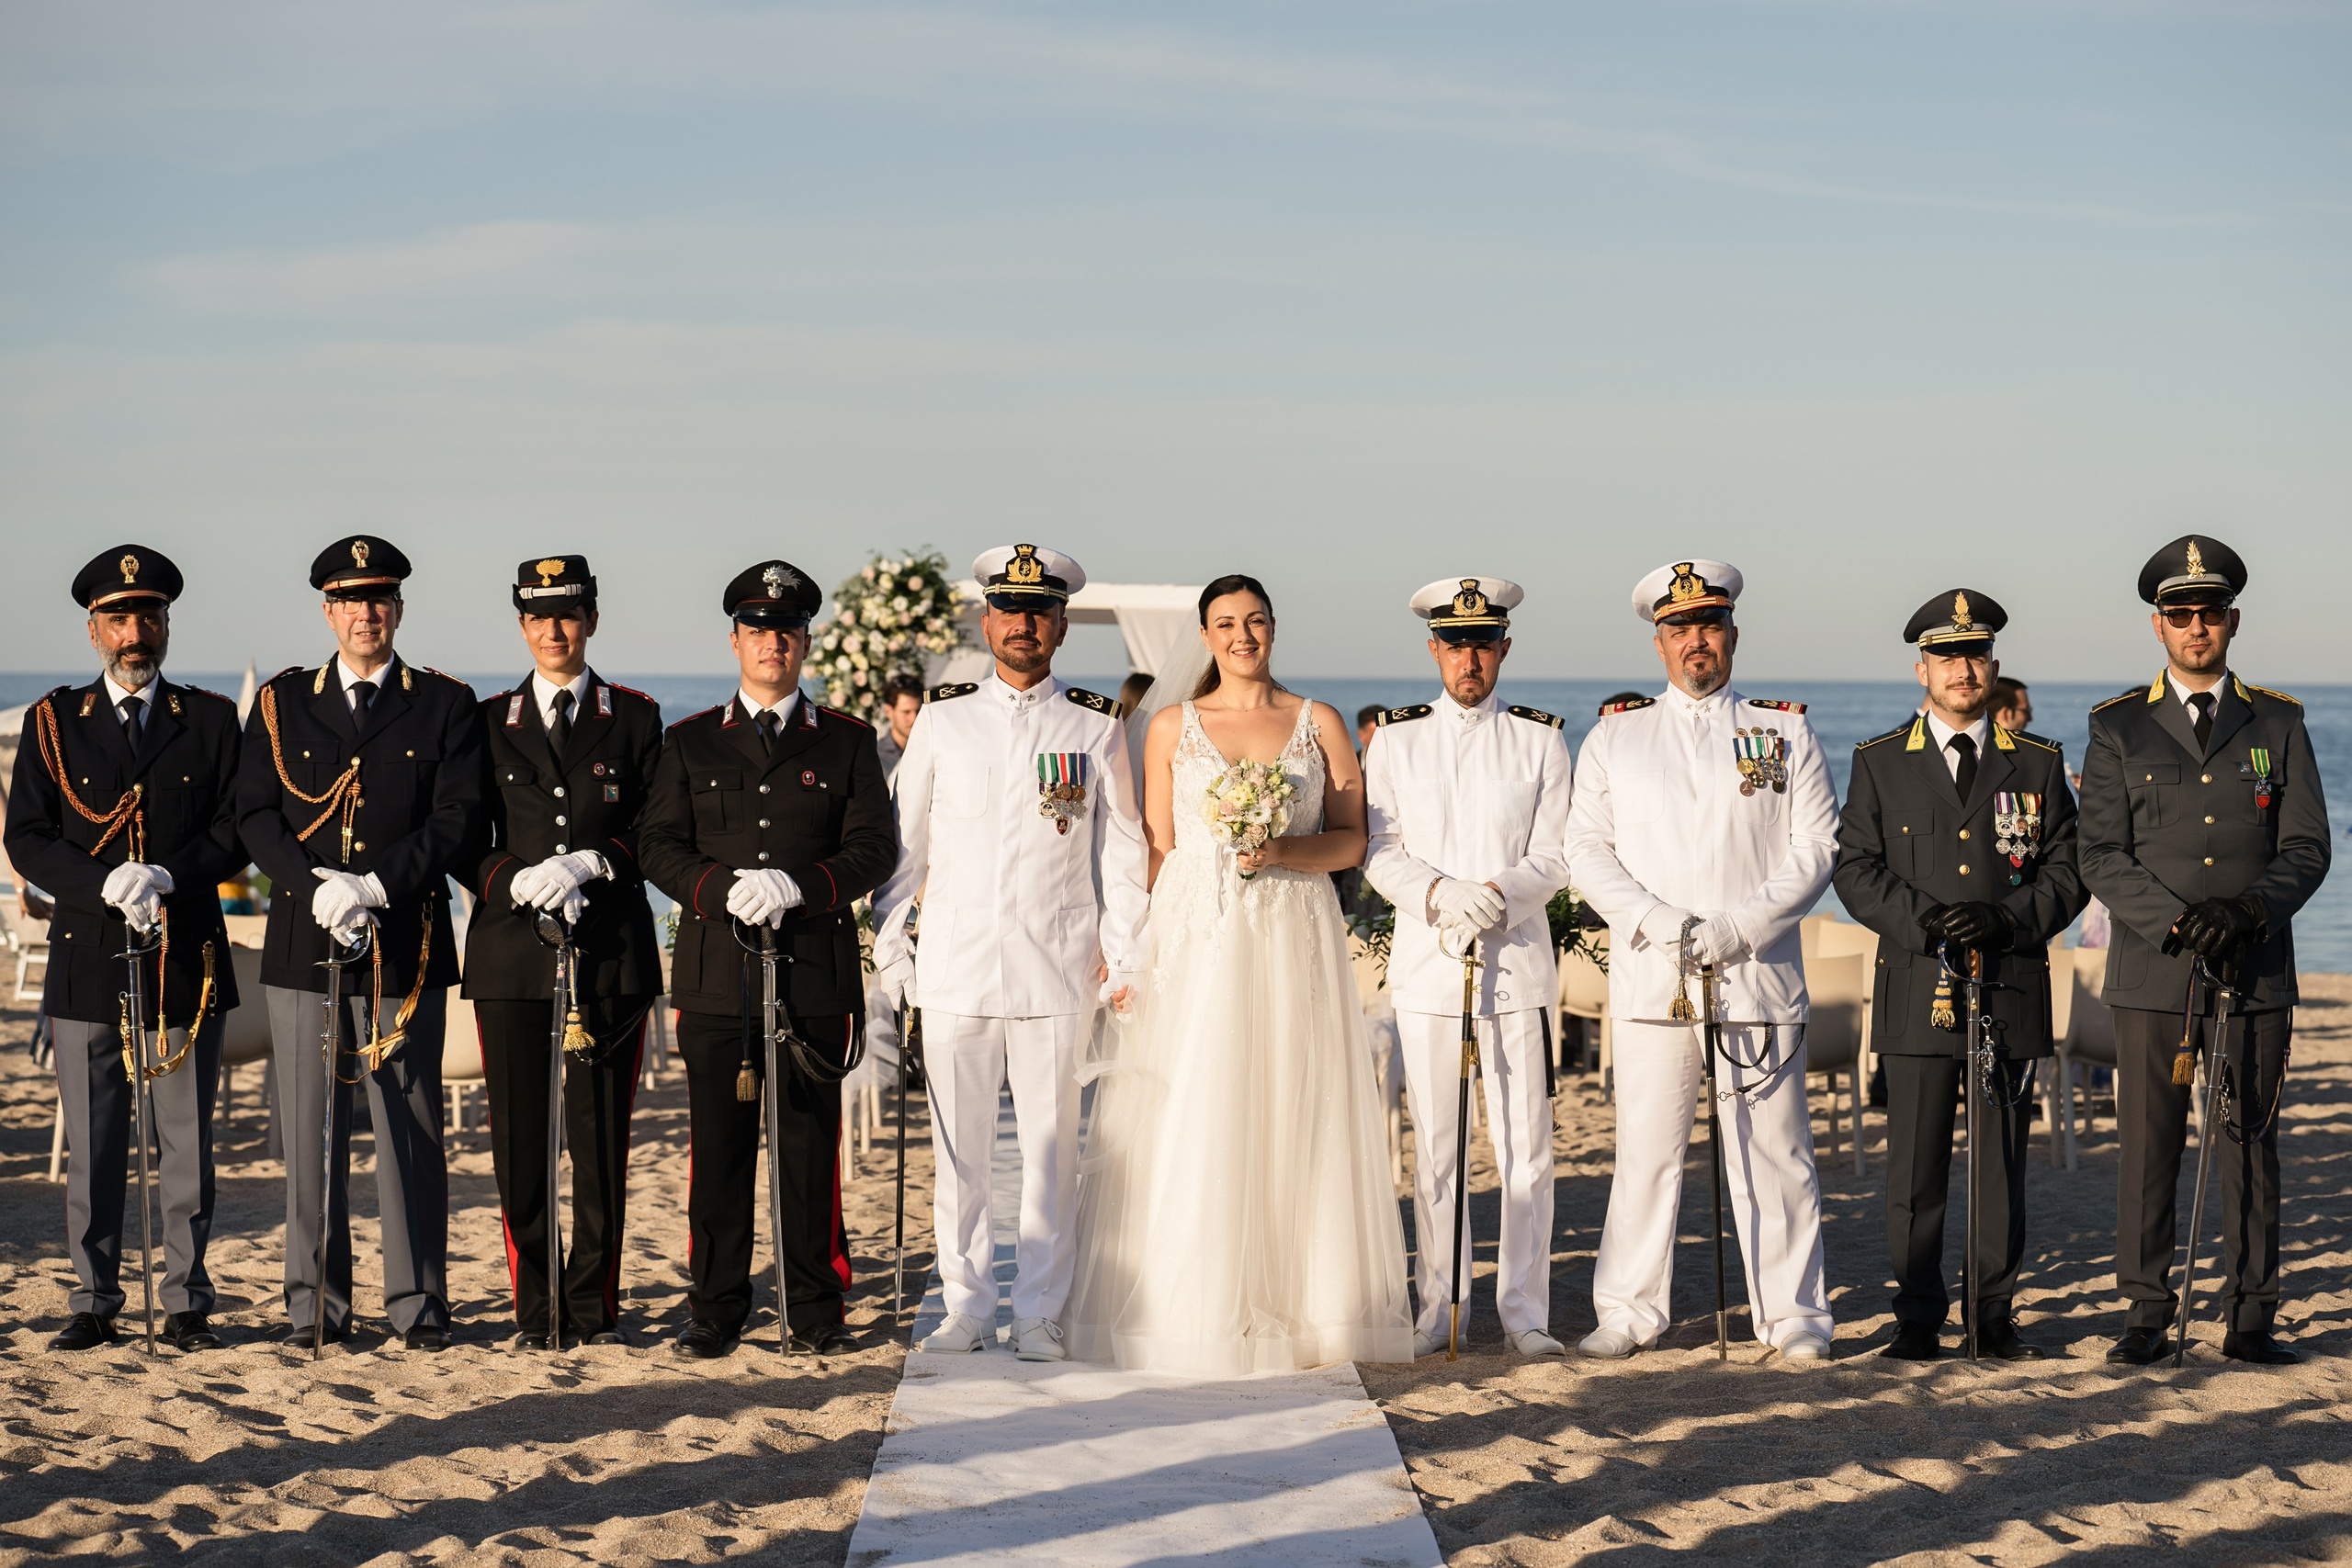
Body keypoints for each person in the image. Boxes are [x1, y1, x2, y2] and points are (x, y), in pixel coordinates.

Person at [1065, 572, 1411, 1373]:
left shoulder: (1317, 720)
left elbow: (1353, 839)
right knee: (1198, 1094)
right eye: (1226, 623)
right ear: (1206, 634)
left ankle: (1310, 1302)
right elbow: (1154, 849)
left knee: (1291, 1095)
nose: (1242, 635)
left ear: (1274, 627)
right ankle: (1191, 1300)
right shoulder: (1169, 727)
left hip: (1291, 926)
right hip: (1197, 931)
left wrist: (1283, 849)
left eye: (1255, 620)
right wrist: (1127, 946)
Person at [870, 544, 1150, 1361]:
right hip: (955, 966)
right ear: (988, 620)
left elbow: (1123, 851)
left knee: (1051, 1153)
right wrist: (894, 948)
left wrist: (1123, 954)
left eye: (1040, 610)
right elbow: (902, 850)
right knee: (958, 1152)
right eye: (1009, 608)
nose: (1023, 622)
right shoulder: (943, 719)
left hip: (1057, 967)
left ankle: (1038, 1309)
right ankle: (966, 1304)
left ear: (1060, 626)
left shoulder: (1096, 723)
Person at [1566, 559, 1839, 1362]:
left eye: (1710, 625)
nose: (1697, 642)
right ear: (1659, 641)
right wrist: (1657, 921)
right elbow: (1584, 849)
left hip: (1753, 973)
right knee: (1647, 1151)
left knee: (1776, 1150)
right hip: (1657, 978)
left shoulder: (1784, 730)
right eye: (1680, 628)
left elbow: (1817, 846)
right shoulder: (1618, 733)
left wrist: (1737, 927)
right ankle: (1628, 1309)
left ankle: (1793, 1315)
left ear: (1733, 635)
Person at [2079, 535, 2331, 1367]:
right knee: (2149, 1144)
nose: (2196, 626)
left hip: (2254, 967)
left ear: (2232, 621)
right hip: (2157, 971)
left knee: (2249, 1141)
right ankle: (2146, 1310)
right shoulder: (2117, 727)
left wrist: (2251, 909)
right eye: (2180, 614)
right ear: (2158, 626)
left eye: (2210, 612)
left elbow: (2308, 846)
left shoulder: (2280, 721)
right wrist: (2182, 922)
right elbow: (2100, 853)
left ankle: (2252, 1314)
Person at [638, 558, 898, 1359]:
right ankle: (714, 1308)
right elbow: (657, 844)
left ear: (805, 642)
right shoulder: (687, 743)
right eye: (757, 630)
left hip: (814, 975)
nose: (772, 643)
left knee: (811, 1152)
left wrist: (802, 883)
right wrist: (716, 889)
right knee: (717, 1152)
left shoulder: (848, 741)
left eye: (786, 631)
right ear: (735, 640)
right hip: (719, 977)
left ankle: (815, 1305)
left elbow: (874, 849)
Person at [238, 535, 483, 1350]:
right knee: (311, 1132)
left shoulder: (445, 703)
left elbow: (455, 821)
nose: (366, 613)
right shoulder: (281, 703)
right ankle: (316, 1305)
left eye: (379, 599)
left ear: (399, 610)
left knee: (409, 1131)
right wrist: (316, 888)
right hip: (303, 948)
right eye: (350, 600)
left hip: (403, 943)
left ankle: (418, 1304)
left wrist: (373, 886)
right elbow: (254, 816)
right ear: (328, 611)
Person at [1832, 591, 2085, 1361]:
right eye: (1947, 657)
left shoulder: (2037, 763)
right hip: (1919, 986)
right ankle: (1916, 1317)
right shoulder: (1879, 761)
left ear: (1994, 667)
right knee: (1914, 1165)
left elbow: (2070, 871)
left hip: (2007, 982)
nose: (1963, 669)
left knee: (2003, 1161)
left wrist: (2007, 919)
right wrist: (1926, 921)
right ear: (1922, 670)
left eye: (1975, 655)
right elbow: (1854, 868)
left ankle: (1993, 1316)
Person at [5, 547, 245, 1354]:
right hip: (88, 952)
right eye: (118, 619)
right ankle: (94, 1297)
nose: (135, 633)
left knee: (187, 1142)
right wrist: (102, 882)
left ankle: (185, 1300)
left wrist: (169, 873)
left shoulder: (210, 720)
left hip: (185, 956)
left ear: (167, 624)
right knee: (97, 1139)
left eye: (148, 617)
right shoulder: (51, 722)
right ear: (92, 629)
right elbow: (27, 837)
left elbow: (236, 832)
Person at [1362, 576, 1574, 1359]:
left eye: (1483, 643)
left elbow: (1556, 853)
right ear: (1434, 651)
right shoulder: (1395, 737)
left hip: (1516, 965)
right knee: (1439, 1147)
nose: (1469, 658)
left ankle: (1524, 1312)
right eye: (1455, 643)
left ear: (1504, 649)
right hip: (1427, 964)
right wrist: (1441, 894)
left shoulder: (1539, 738)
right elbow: (1380, 850)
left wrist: (1500, 894)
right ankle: (1439, 1308)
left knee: (1527, 1148)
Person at [462, 556, 665, 1349]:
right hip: (512, 955)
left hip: (609, 953)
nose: (554, 629)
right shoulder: (485, 722)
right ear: (522, 625)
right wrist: (514, 879)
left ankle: (593, 1304)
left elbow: (657, 830)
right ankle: (535, 1302)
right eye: (540, 616)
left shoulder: (638, 719)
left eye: (569, 613)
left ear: (592, 620)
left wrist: (594, 861)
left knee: (600, 1140)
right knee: (519, 1138)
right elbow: (462, 837)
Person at [876, 678, 924, 780]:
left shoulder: (933, 745)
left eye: (918, 710)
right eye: (906, 712)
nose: (914, 718)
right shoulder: (876, 759)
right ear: (889, 711)